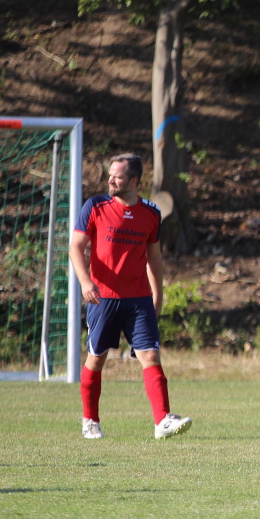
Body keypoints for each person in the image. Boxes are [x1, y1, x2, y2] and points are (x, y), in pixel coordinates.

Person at [68, 153, 193, 441]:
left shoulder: (151, 213)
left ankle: (162, 420)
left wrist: (157, 295)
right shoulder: (95, 206)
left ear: (134, 181)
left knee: (150, 355)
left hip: (138, 299)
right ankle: (90, 420)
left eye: (118, 176)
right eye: (110, 175)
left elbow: (154, 258)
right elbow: (75, 248)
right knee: (96, 359)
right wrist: (85, 282)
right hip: (103, 298)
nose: (110, 180)